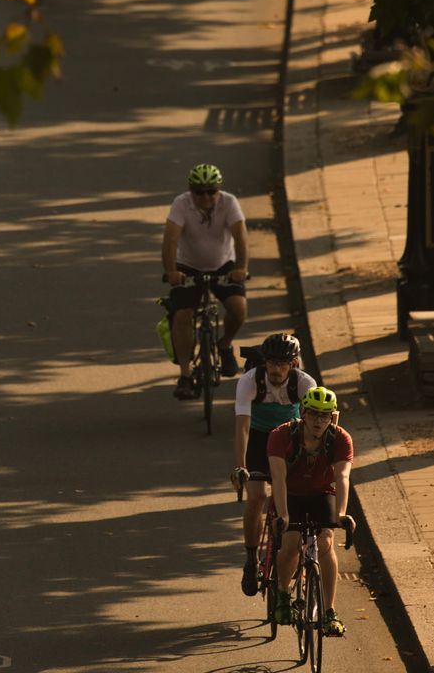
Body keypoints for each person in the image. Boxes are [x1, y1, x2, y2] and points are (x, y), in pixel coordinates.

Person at [230, 333, 316, 596]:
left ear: (294, 363)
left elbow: (315, 426)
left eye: (283, 364)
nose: (276, 370)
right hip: (258, 438)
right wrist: (239, 466)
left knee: (291, 498)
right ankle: (251, 558)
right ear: (264, 363)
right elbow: (242, 427)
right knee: (256, 497)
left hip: (289, 437)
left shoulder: (304, 383)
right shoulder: (249, 381)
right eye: (271, 364)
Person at [268, 386, 354, 637]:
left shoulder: (340, 438)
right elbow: (278, 478)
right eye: (314, 414)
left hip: (321, 494)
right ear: (303, 412)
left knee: (326, 541)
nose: (319, 420)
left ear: (332, 417)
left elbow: (342, 476)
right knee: (291, 540)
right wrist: (283, 515)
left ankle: (330, 612)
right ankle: (283, 595)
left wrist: (341, 514)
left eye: (325, 415)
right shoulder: (281, 436)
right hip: (290, 494)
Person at [162, 163, 249, 400]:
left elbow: (241, 237)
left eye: (211, 191)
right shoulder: (181, 204)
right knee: (182, 315)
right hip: (188, 267)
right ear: (191, 191)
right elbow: (170, 240)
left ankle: (224, 345)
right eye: (199, 192)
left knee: (238, 310)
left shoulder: (229, 202)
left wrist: (241, 268)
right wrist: (171, 272)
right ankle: (185, 375)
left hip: (224, 266)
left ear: (218, 189)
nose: (206, 197)